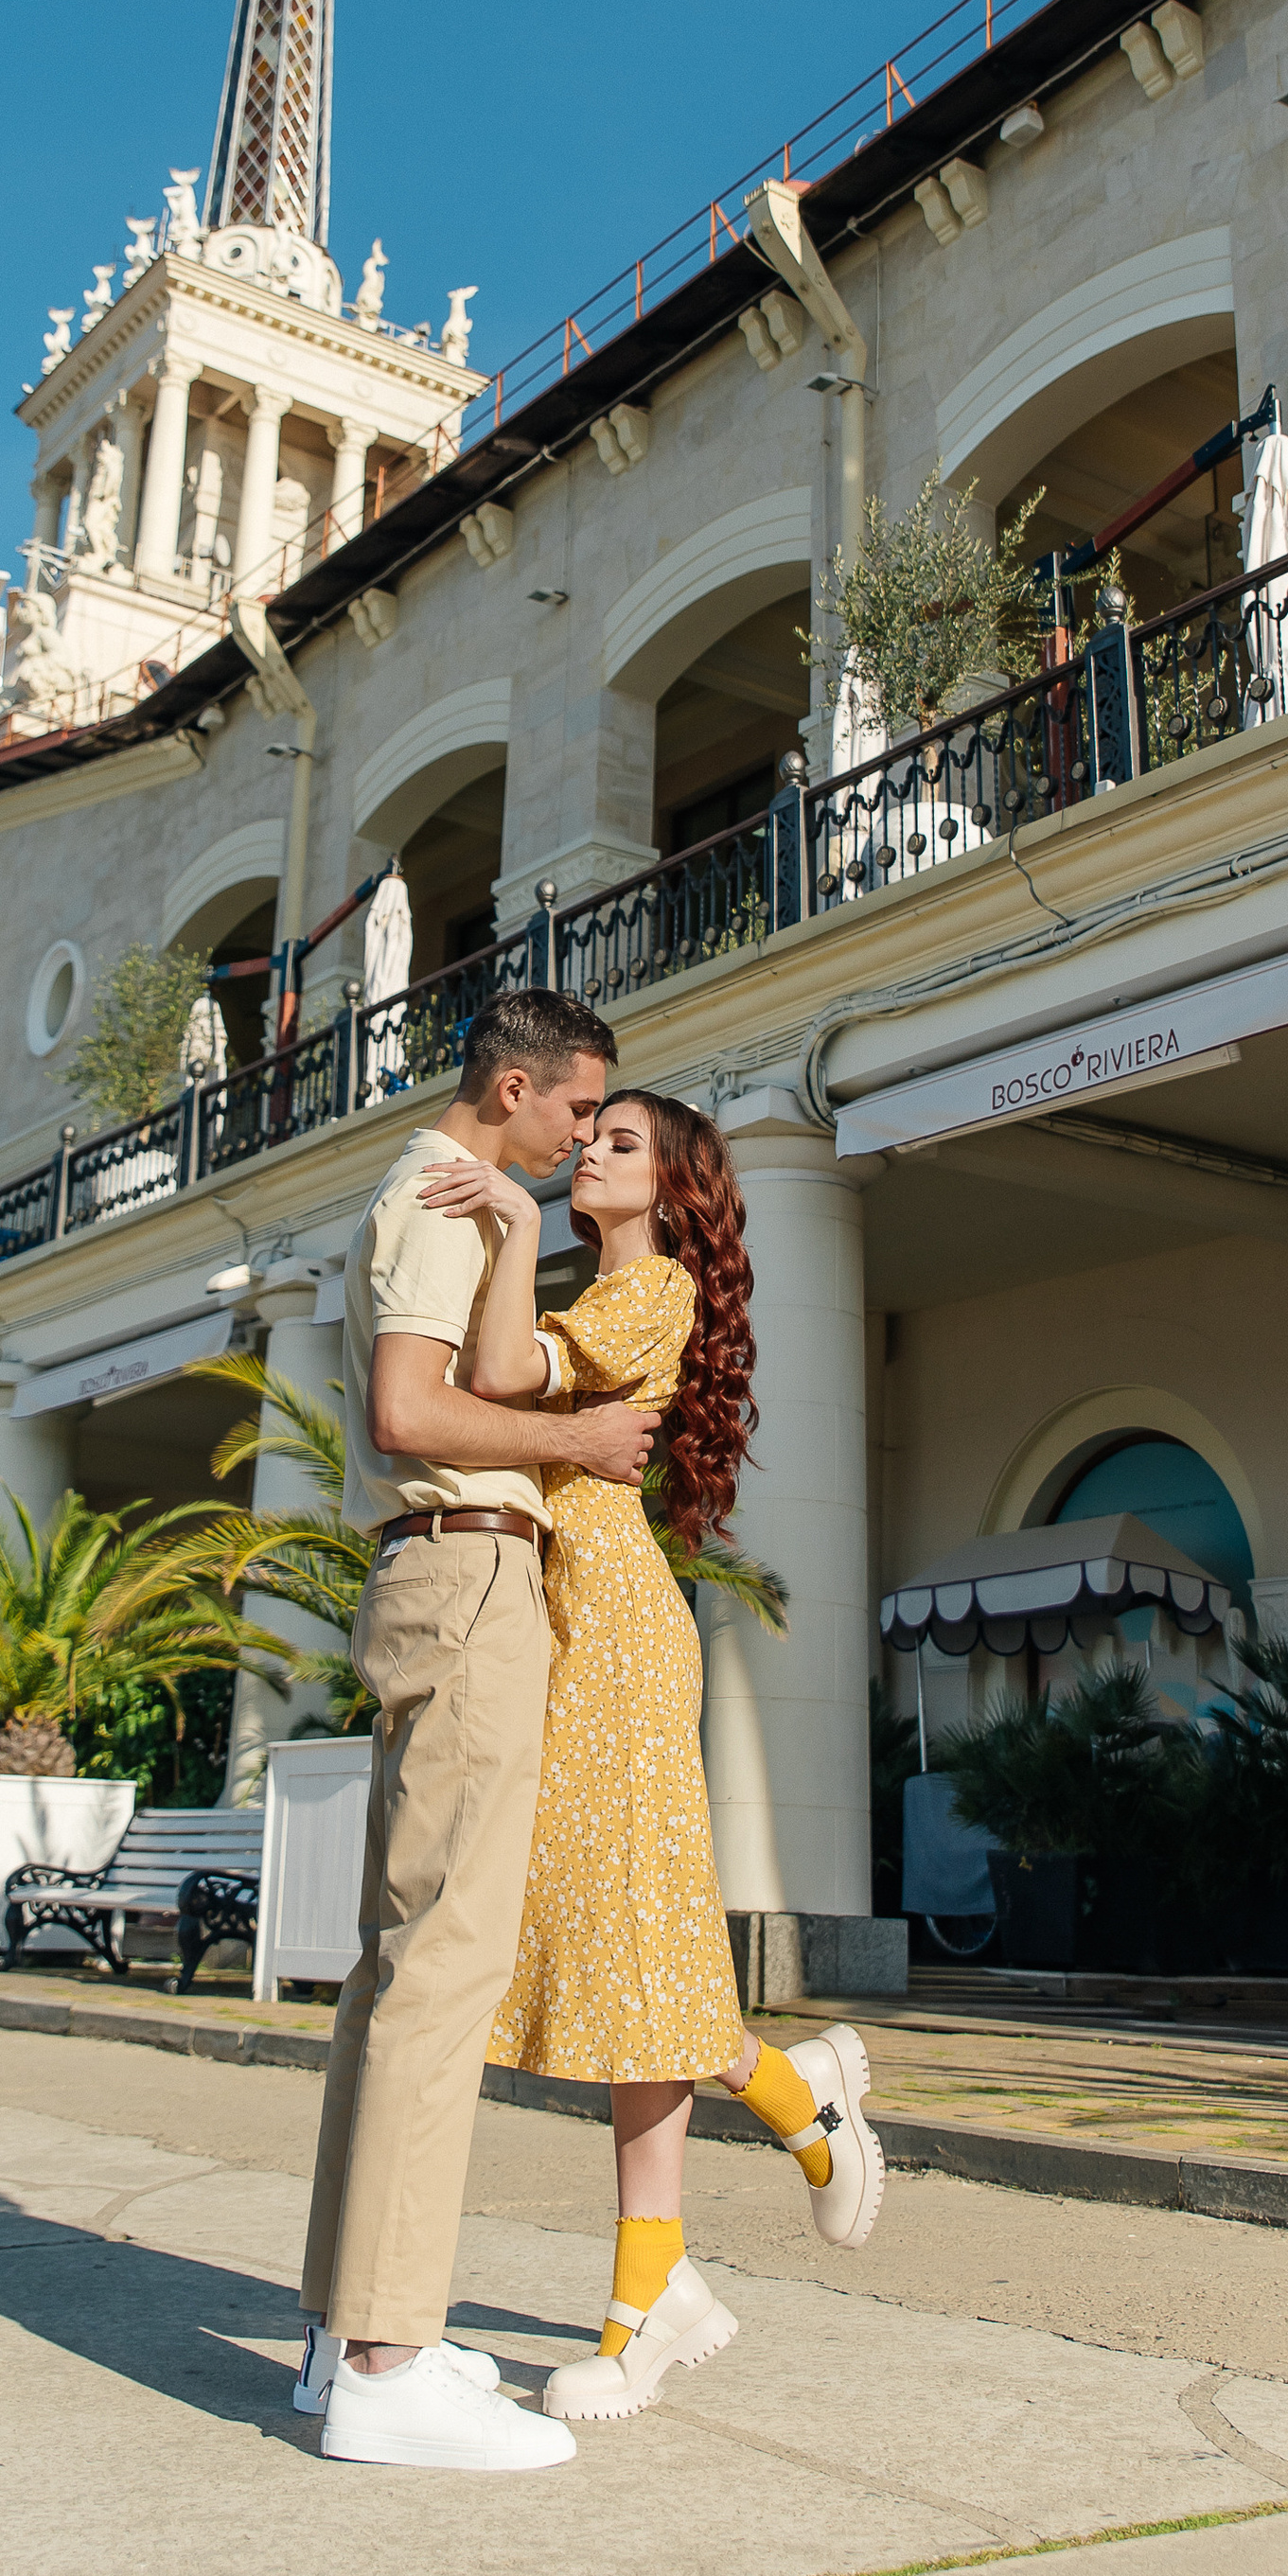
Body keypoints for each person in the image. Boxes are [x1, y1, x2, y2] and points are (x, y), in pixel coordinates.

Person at [422, 1090, 884, 2426]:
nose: (589, 1150)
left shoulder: (656, 1285)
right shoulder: (603, 1288)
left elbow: (501, 1384)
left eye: (621, 1141)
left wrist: (508, 1224)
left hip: (615, 1625)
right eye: (592, 1135)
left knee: (629, 1944)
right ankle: (793, 2103)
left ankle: (649, 2297)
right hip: (572, 1617)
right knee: (619, 1943)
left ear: (673, 1182)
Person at [298, 987, 662, 2476]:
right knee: (444, 1964)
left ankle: (352, 2330)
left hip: (435, 1572)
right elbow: (409, 1407)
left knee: (401, 1963)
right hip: (465, 1567)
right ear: (514, 1086)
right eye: (579, 1108)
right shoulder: (448, 1197)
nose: (585, 1136)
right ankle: (385, 2360)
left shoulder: (448, 1192)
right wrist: (575, 1440)